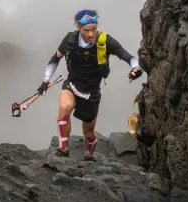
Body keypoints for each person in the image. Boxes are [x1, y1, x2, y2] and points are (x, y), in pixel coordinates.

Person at [37, 9, 146, 161]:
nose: (90, 34)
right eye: (86, 30)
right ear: (78, 28)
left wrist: (136, 68)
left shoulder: (105, 41)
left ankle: (89, 156)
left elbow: (128, 56)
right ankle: (63, 149)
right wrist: (45, 81)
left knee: (88, 133)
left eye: (93, 29)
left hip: (92, 91)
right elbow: (55, 59)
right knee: (64, 108)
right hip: (72, 85)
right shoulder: (70, 39)